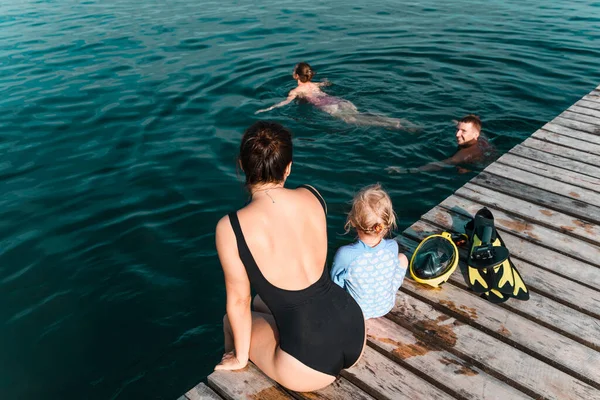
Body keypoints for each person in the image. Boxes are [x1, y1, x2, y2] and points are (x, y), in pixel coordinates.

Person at [214, 121, 366, 392]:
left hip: (307, 366)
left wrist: (240, 354)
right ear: (288, 167)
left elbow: (239, 301)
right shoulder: (313, 195)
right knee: (264, 302)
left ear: (241, 165)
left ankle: (234, 370)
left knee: (231, 320)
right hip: (354, 329)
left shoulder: (231, 227)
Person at [256, 62, 415, 131]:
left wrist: (267, 109)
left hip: (328, 107)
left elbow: (284, 103)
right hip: (339, 101)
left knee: (356, 120)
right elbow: (327, 84)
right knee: (361, 114)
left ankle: (394, 125)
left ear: (297, 76)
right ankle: (394, 120)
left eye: (294, 70)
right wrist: (325, 82)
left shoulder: (296, 91)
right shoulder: (315, 84)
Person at [330, 184, 409, 320]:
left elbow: (336, 283)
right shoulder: (392, 246)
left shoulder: (345, 254)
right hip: (385, 306)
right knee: (402, 258)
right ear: (387, 223)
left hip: (357, 311)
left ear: (353, 221)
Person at [387, 114, 495, 173]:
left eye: (463, 131)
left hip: (484, 167)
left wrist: (406, 170)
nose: (457, 134)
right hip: (489, 156)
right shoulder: (482, 138)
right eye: (458, 129)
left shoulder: (464, 154)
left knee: (461, 171)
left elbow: (439, 165)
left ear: (476, 134)